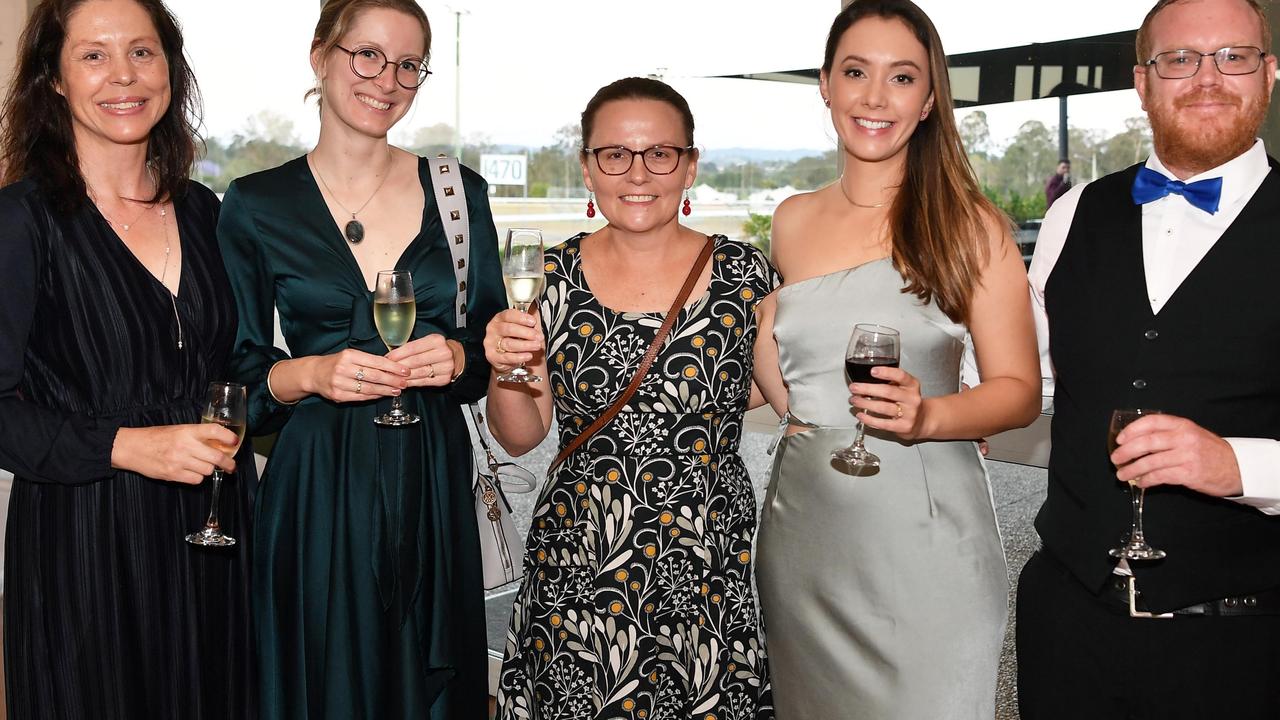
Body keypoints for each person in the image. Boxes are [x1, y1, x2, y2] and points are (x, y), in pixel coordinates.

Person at [750, 1, 1041, 718]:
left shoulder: (970, 225)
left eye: (902, 76)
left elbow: (1019, 392)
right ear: (825, 84)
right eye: (856, 72)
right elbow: (794, 389)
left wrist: (929, 414)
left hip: (928, 544)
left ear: (930, 97)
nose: (875, 98)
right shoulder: (791, 220)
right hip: (806, 540)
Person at [216, 0, 503, 717]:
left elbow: (490, 350)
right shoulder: (255, 204)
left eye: (408, 64)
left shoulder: (457, 194)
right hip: (317, 486)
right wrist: (311, 373)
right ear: (322, 57)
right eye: (366, 54)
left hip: (432, 478)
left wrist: (457, 358)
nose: (388, 78)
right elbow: (236, 381)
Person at [1017, 1, 1280, 717]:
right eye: (1179, 58)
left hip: (1241, 647)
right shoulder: (1077, 212)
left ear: (1271, 73)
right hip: (1066, 629)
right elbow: (1031, 381)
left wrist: (1237, 467)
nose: (1207, 77)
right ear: (1142, 80)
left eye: (1233, 56)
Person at [486, 77, 776, 720]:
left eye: (660, 153)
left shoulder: (745, 276)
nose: (637, 172)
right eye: (614, 154)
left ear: (690, 165)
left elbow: (780, 393)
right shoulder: (547, 276)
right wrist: (506, 367)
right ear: (588, 168)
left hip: (703, 569)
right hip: (577, 564)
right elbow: (520, 435)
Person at [0, 0, 255, 717]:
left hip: (213, 532)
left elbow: (235, 368)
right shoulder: (21, 222)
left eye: (142, 52)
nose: (124, 76)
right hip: (85, 541)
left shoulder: (209, 212)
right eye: (93, 55)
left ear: (169, 67)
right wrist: (124, 446)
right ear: (53, 78)